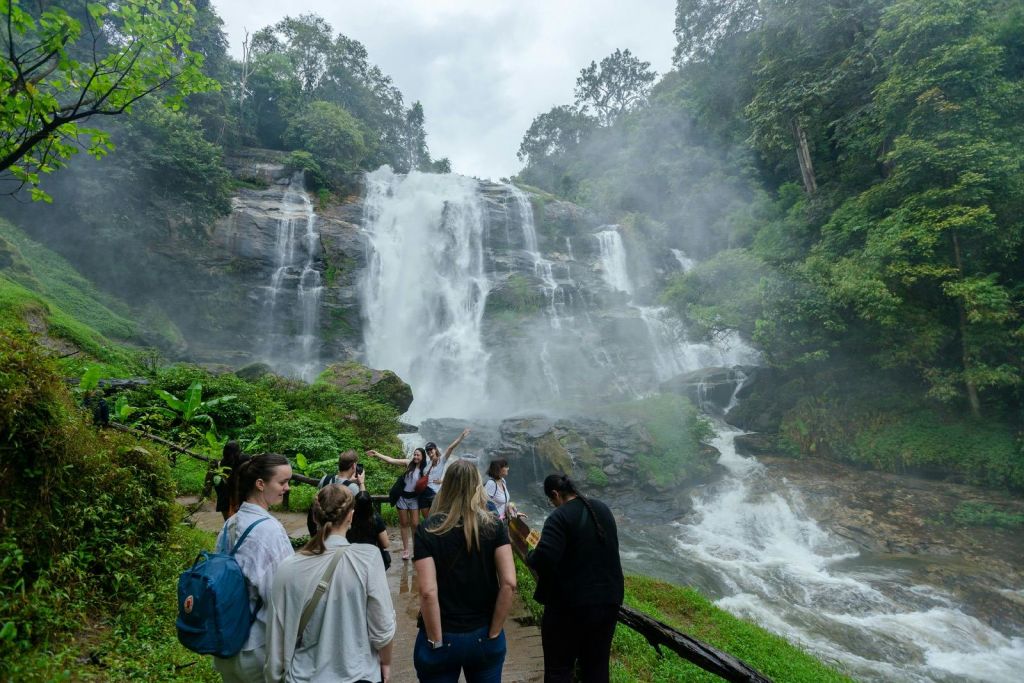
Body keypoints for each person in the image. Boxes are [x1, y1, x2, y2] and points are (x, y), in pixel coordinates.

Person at [265, 484, 396, 683]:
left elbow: (277, 635)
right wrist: (385, 663)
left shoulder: (288, 567)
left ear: (315, 517)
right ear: (350, 516)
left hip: (304, 676)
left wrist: (274, 677)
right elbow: (383, 628)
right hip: (359, 673)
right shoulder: (368, 558)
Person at [413, 459, 516, 683]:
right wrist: (495, 631)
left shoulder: (427, 529)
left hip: (443, 633)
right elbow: (509, 582)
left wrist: (435, 640)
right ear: (477, 486)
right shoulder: (494, 526)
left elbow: (428, 592)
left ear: (446, 485)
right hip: (484, 632)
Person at [526, 474, 624, 683]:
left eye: (551, 500)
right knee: (596, 667)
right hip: (608, 601)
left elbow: (544, 558)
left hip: (570, 606)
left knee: (559, 668)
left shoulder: (560, 517)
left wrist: (530, 556)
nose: (553, 505)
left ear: (555, 494)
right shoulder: (601, 509)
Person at [213, 453, 295, 683]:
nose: (287, 488)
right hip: (256, 647)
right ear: (260, 484)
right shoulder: (270, 530)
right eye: (282, 482)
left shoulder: (231, 523)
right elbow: (282, 595)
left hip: (227, 640)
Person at [368, 447, 427, 560]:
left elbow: (436, 470)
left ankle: (416, 549)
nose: (415, 457)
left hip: (414, 499)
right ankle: (405, 550)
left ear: (423, 457)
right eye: (414, 454)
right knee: (404, 524)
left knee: (415, 524)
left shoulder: (425, 469)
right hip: (402, 497)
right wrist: (377, 454)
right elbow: (391, 460)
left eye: (418, 455)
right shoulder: (408, 463)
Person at [306, 449, 364, 536]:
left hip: (322, 530)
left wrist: (349, 482)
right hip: (340, 532)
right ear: (354, 466)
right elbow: (364, 507)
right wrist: (361, 483)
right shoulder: (353, 488)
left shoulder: (325, 479)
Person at [419, 428, 471, 517]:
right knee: (426, 518)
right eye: (427, 450)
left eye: (431, 449)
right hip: (424, 493)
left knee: (435, 516)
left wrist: (461, 436)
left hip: (434, 493)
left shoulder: (441, 460)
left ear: (435, 449)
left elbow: (451, 448)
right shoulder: (427, 463)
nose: (429, 451)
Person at [348, 490, 392, 571]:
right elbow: (385, 544)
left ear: (355, 504)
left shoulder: (348, 518)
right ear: (370, 504)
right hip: (371, 557)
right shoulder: (376, 519)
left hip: (352, 557)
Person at [213, 441, 244, 521]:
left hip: (223, 497)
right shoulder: (239, 463)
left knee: (228, 523)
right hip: (237, 498)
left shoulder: (218, 464)